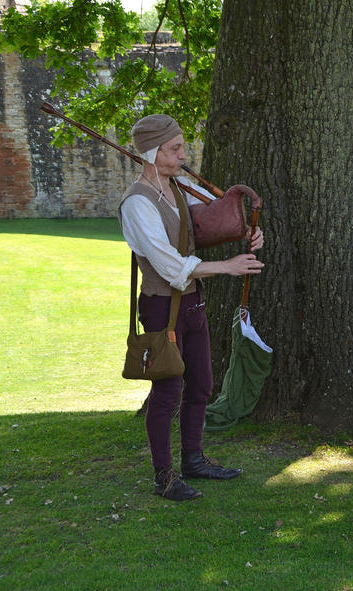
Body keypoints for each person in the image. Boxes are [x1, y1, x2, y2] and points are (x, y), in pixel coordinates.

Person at [119, 114, 265, 500]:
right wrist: (229, 267)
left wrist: (246, 230)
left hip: (193, 303)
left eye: (182, 146)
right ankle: (163, 476)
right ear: (152, 153)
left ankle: (194, 460)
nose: (184, 154)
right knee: (168, 391)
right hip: (160, 306)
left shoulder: (178, 187)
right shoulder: (137, 203)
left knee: (201, 385)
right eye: (175, 148)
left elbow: (210, 224)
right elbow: (168, 265)